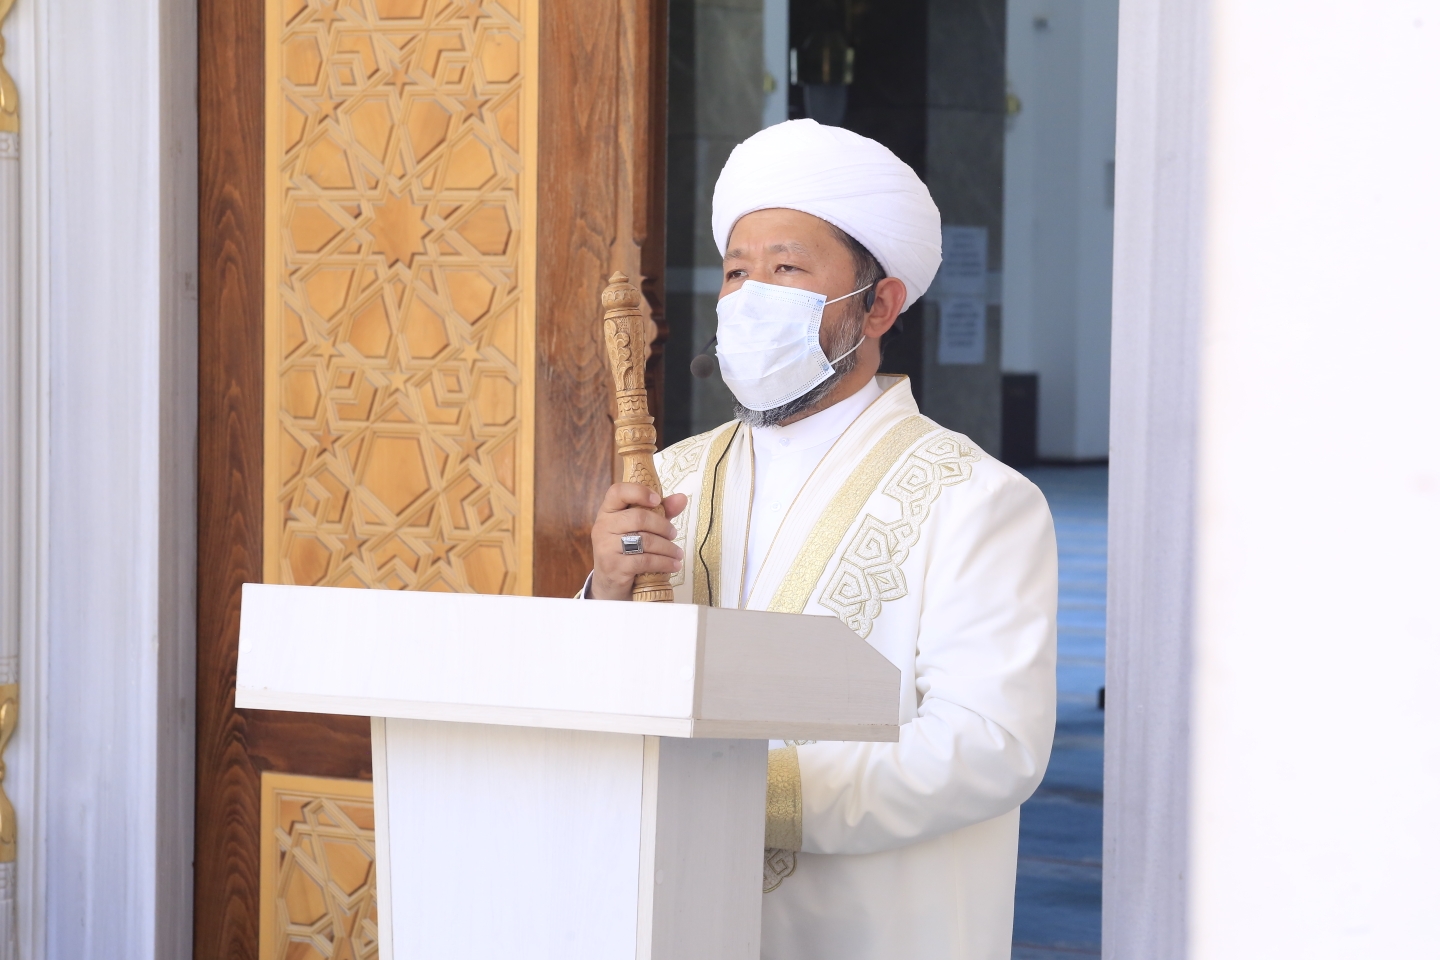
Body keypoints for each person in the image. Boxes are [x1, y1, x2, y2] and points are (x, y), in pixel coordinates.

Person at [584, 119, 1058, 960]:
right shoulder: (670, 475)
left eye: (787, 269)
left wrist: (753, 788)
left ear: (879, 305)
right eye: (737, 272)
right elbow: (608, 690)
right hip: (672, 911)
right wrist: (606, 592)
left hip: (866, 930)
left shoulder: (978, 499)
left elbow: (992, 746)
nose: (750, 296)